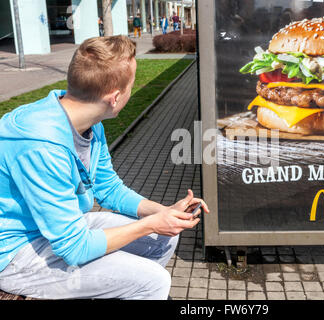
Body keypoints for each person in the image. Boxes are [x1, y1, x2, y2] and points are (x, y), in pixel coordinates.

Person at [0, 35, 209, 300]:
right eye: (132, 84)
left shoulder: (89, 123)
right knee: (153, 281)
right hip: (16, 251)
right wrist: (151, 224)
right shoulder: (41, 146)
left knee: (164, 238)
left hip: (58, 229)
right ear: (115, 97)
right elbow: (74, 248)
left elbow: (109, 189)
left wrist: (164, 212)